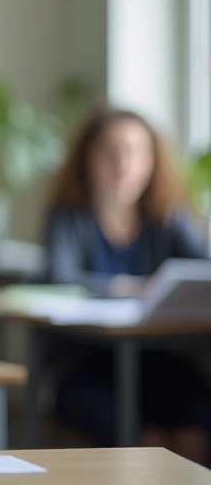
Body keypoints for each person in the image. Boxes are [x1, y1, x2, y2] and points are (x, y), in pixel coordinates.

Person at [45, 108, 211, 463]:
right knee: (144, 438)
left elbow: (203, 268)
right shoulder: (69, 216)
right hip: (87, 367)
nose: (124, 164)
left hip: (157, 362)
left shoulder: (167, 215)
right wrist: (126, 286)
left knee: (196, 424)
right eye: (111, 151)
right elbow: (59, 278)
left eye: (136, 152)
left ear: (152, 162)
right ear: (87, 159)